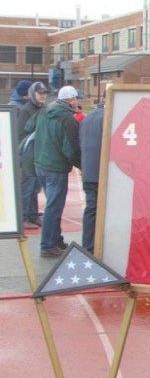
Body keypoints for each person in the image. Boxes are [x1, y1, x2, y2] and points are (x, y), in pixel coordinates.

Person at [29, 85, 81, 258]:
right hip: (56, 168)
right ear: (71, 100)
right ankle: (48, 245)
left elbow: (30, 129)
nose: (77, 102)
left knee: (52, 204)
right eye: (76, 99)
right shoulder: (69, 120)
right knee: (54, 206)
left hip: (40, 164)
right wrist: (83, 166)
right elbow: (71, 149)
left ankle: (56, 240)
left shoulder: (44, 112)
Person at [16, 81, 50, 230]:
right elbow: (21, 134)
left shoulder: (42, 109)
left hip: (38, 155)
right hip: (28, 155)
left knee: (35, 187)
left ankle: (33, 214)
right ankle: (24, 217)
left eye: (44, 93)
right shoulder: (27, 110)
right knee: (27, 187)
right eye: (40, 93)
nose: (43, 96)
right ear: (32, 94)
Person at [79, 94, 104, 253]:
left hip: (88, 171)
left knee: (91, 209)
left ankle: (87, 247)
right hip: (101, 173)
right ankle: (99, 247)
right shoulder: (109, 118)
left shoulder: (87, 119)